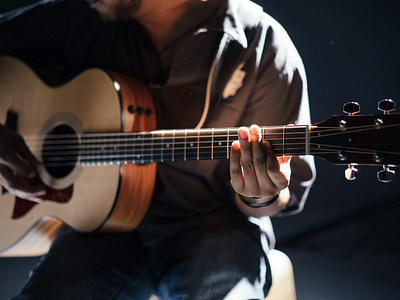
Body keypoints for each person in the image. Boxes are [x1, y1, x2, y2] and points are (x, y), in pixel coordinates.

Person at [0, 0, 315, 299]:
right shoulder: (80, 17)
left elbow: (282, 195)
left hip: (215, 226)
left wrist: (260, 192)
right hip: (99, 228)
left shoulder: (263, 46)